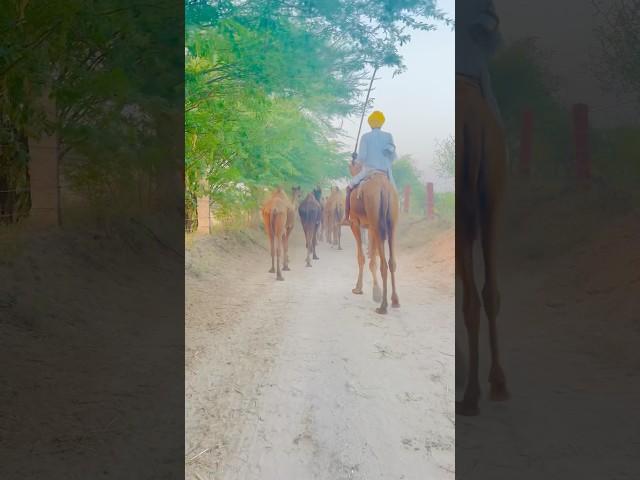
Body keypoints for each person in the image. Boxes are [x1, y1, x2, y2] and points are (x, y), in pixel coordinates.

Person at [342, 110, 397, 224]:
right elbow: (392, 157)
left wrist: (355, 159)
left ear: (370, 123)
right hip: (386, 172)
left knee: (349, 188)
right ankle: (396, 215)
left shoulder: (365, 137)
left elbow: (362, 157)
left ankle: (346, 217)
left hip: (368, 171)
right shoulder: (388, 136)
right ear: (382, 123)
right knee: (394, 193)